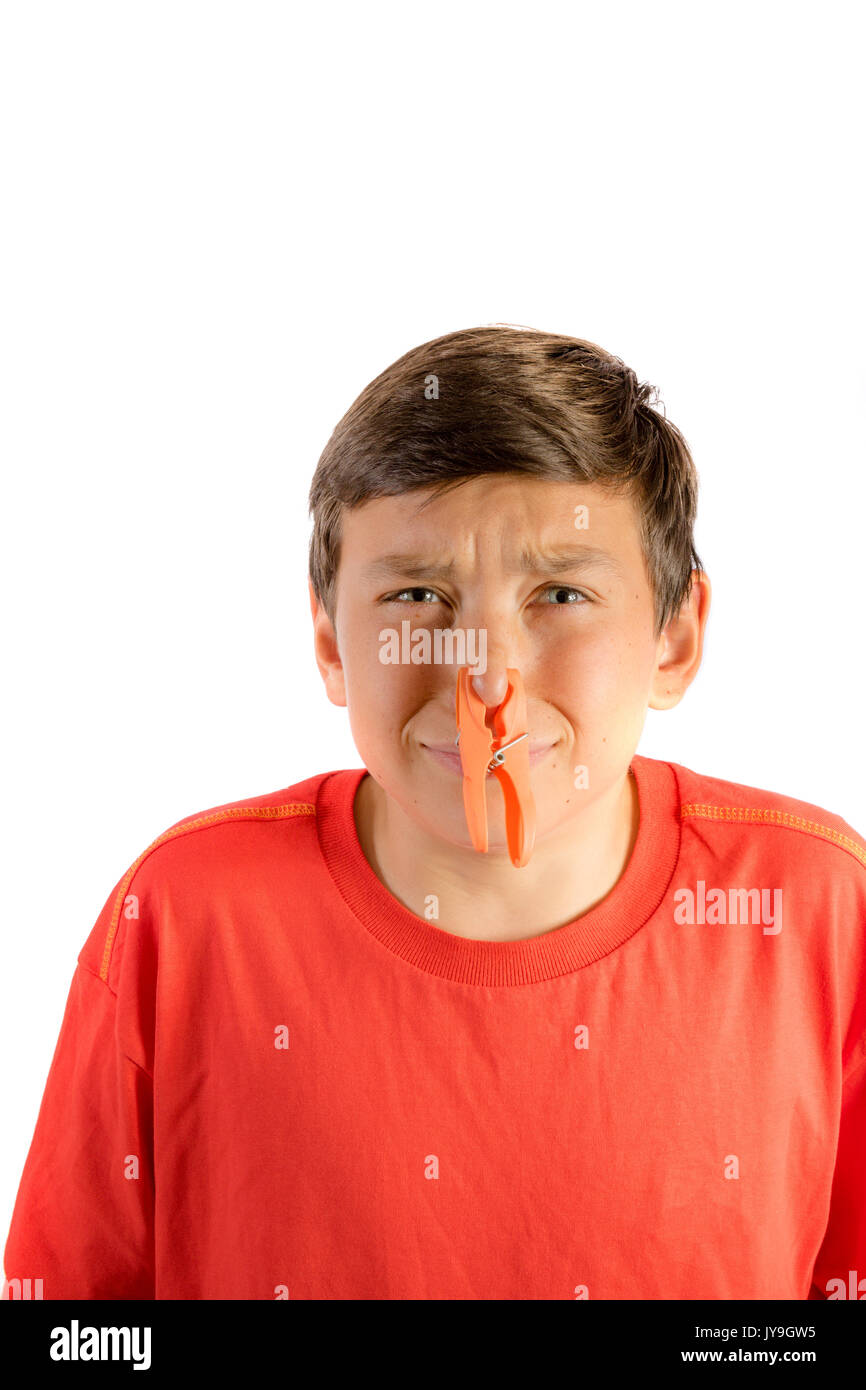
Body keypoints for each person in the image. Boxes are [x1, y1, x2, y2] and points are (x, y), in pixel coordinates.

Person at [3, 324, 864, 1300]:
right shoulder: (182, 916)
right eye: (416, 593)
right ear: (330, 640)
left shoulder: (817, 907)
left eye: (560, 592)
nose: (484, 674)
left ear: (672, 638)